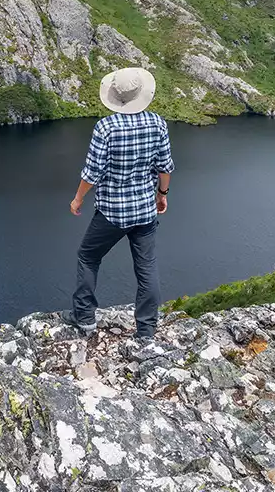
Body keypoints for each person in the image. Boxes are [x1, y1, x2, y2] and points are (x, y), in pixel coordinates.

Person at [67, 67, 174, 343]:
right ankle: (146, 332)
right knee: (147, 268)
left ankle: (85, 318)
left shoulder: (106, 127)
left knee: (88, 257)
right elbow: (165, 167)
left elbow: (92, 173)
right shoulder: (157, 123)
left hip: (112, 212)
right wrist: (162, 193)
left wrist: (78, 198)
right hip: (144, 211)